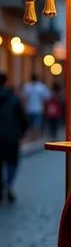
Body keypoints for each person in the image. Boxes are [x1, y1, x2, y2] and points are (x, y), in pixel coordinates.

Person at [0, 72, 28, 202]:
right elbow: (23, 118)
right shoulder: (13, 98)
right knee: (12, 163)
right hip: (11, 137)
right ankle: (8, 184)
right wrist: (20, 133)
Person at [21, 74, 50, 141]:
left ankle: (31, 137)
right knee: (37, 124)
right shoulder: (41, 87)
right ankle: (36, 137)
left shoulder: (27, 86)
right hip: (38, 109)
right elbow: (47, 97)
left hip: (29, 109)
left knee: (30, 124)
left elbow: (23, 98)